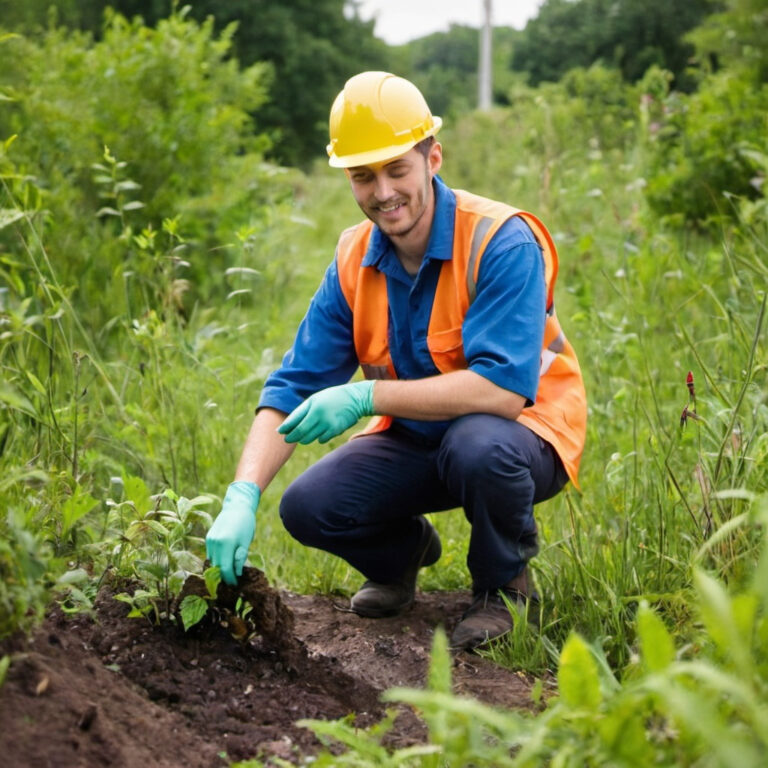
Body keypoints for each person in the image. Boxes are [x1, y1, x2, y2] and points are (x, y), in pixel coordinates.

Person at [206, 71, 587, 650]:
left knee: (478, 445)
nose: (382, 191)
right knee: (309, 507)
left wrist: (364, 396)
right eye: (363, 176)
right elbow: (293, 385)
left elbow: (503, 392)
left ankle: (503, 587)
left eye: (396, 169)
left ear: (432, 157)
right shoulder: (355, 258)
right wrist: (242, 495)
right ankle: (401, 557)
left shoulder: (499, 240)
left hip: (522, 434)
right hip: (420, 439)